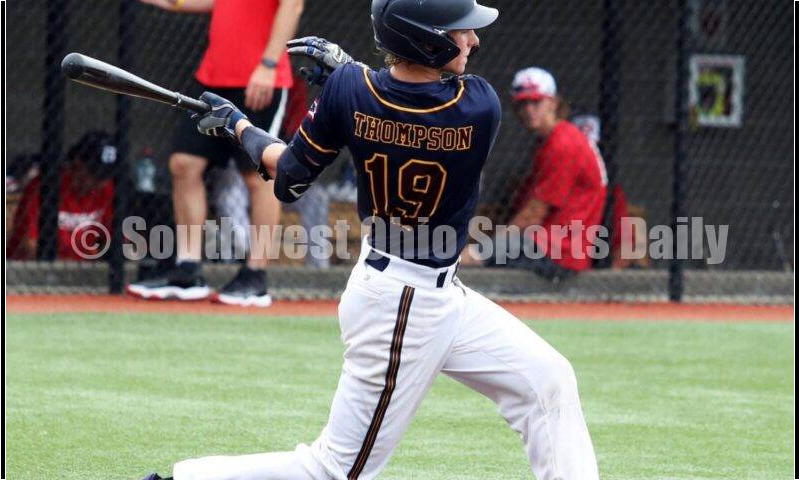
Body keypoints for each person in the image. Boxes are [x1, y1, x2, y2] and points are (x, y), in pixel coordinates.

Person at [141, 1, 599, 479]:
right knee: (335, 471)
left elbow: (291, 177)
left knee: (548, 381)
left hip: (430, 294)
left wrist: (240, 126)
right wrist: (348, 73)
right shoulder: (479, 105)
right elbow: (398, 97)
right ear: (430, 40)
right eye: (462, 31)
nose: (474, 40)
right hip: (405, 304)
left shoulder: (349, 92)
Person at [126, 0, 304, 306]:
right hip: (213, 78)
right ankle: (188, 269)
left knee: (257, 176)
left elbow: (293, 5)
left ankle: (255, 275)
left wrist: (269, 64)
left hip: (259, 78)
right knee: (184, 164)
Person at [500, 67, 608, 281]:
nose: (529, 110)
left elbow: (533, 214)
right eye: (522, 103)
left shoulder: (563, 142)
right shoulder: (554, 139)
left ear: (553, 102)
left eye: (536, 102)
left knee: (474, 264)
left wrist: (483, 251)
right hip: (552, 248)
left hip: (556, 254)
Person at [7, 131, 117, 261]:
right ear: (78, 163)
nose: (100, 181)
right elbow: (29, 245)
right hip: (34, 270)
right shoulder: (45, 187)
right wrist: (66, 267)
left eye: (105, 175)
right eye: (95, 173)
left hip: (82, 272)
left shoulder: (107, 189)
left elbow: (116, 237)